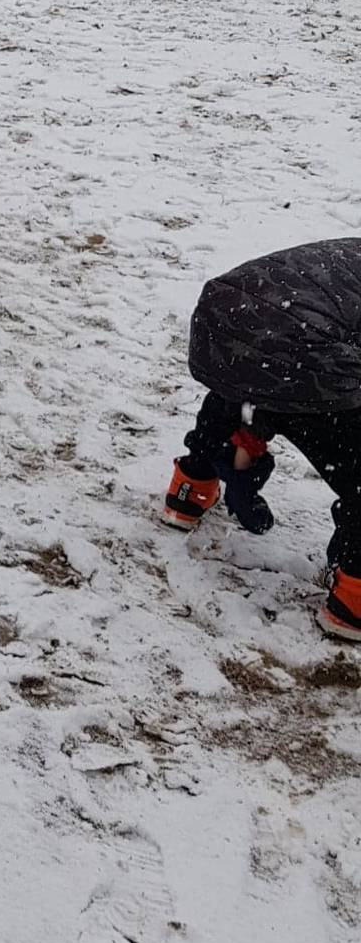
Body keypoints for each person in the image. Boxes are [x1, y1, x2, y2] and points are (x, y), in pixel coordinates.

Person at [161, 238, 361, 642]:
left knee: (250, 372)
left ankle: (190, 487)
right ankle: (353, 595)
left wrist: (249, 436)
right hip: (298, 345)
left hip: (222, 319)